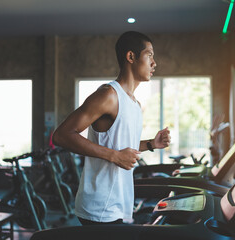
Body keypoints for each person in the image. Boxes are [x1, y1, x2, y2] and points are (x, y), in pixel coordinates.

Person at [52, 31, 171, 225]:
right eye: (149, 55)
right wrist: (114, 156)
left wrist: (151, 144)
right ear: (131, 57)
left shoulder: (134, 104)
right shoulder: (109, 95)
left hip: (120, 202)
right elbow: (62, 135)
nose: (154, 63)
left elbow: (120, 145)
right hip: (100, 206)